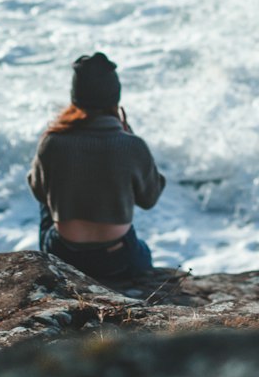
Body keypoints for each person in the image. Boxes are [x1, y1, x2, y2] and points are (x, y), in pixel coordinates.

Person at [28, 52, 165, 282]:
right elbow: (149, 199)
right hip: (118, 258)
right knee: (143, 253)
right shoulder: (132, 145)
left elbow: (38, 190)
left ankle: (51, 267)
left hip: (65, 255)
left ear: (76, 97)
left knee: (46, 194)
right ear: (115, 97)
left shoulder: (52, 141)